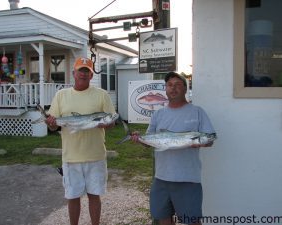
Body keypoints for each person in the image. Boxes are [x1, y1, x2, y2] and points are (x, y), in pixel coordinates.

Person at [131, 72, 215, 225]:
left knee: (192, 220)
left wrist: (203, 143)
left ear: (185, 88)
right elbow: (149, 141)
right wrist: (139, 139)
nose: (173, 88)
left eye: (177, 85)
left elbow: (210, 139)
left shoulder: (197, 111)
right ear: (165, 89)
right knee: (163, 217)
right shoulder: (158, 114)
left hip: (188, 178)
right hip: (161, 177)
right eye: (170, 85)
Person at [45, 57, 116, 225]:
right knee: (73, 196)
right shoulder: (61, 95)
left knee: (94, 195)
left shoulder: (102, 95)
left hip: (96, 155)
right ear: (73, 73)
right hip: (71, 157)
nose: (83, 74)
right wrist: (52, 124)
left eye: (87, 71)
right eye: (80, 70)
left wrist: (107, 124)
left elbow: (111, 122)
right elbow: (54, 127)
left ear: (91, 75)